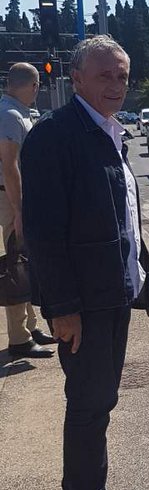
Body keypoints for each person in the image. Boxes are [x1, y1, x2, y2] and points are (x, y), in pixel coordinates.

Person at [21, 36, 149, 490]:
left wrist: (146, 281)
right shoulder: (56, 137)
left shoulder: (108, 133)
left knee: (98, 403)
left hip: (112, 293)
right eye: (104, 75)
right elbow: (43, 233)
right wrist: (61, 309)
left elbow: (123, 218)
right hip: (82, 303)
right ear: (76, 78)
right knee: (88, 405)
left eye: (122, 76)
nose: (115, 86)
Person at [0, 63, 57, 359]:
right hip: (11, 199)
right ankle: (19, 339)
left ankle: (31, 328)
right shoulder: (9, 115)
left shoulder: (14, 111)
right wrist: (19, 209)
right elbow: (9, 166)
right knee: (16, 266)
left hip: (17, 198)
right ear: (34, 86)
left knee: (25, 262)